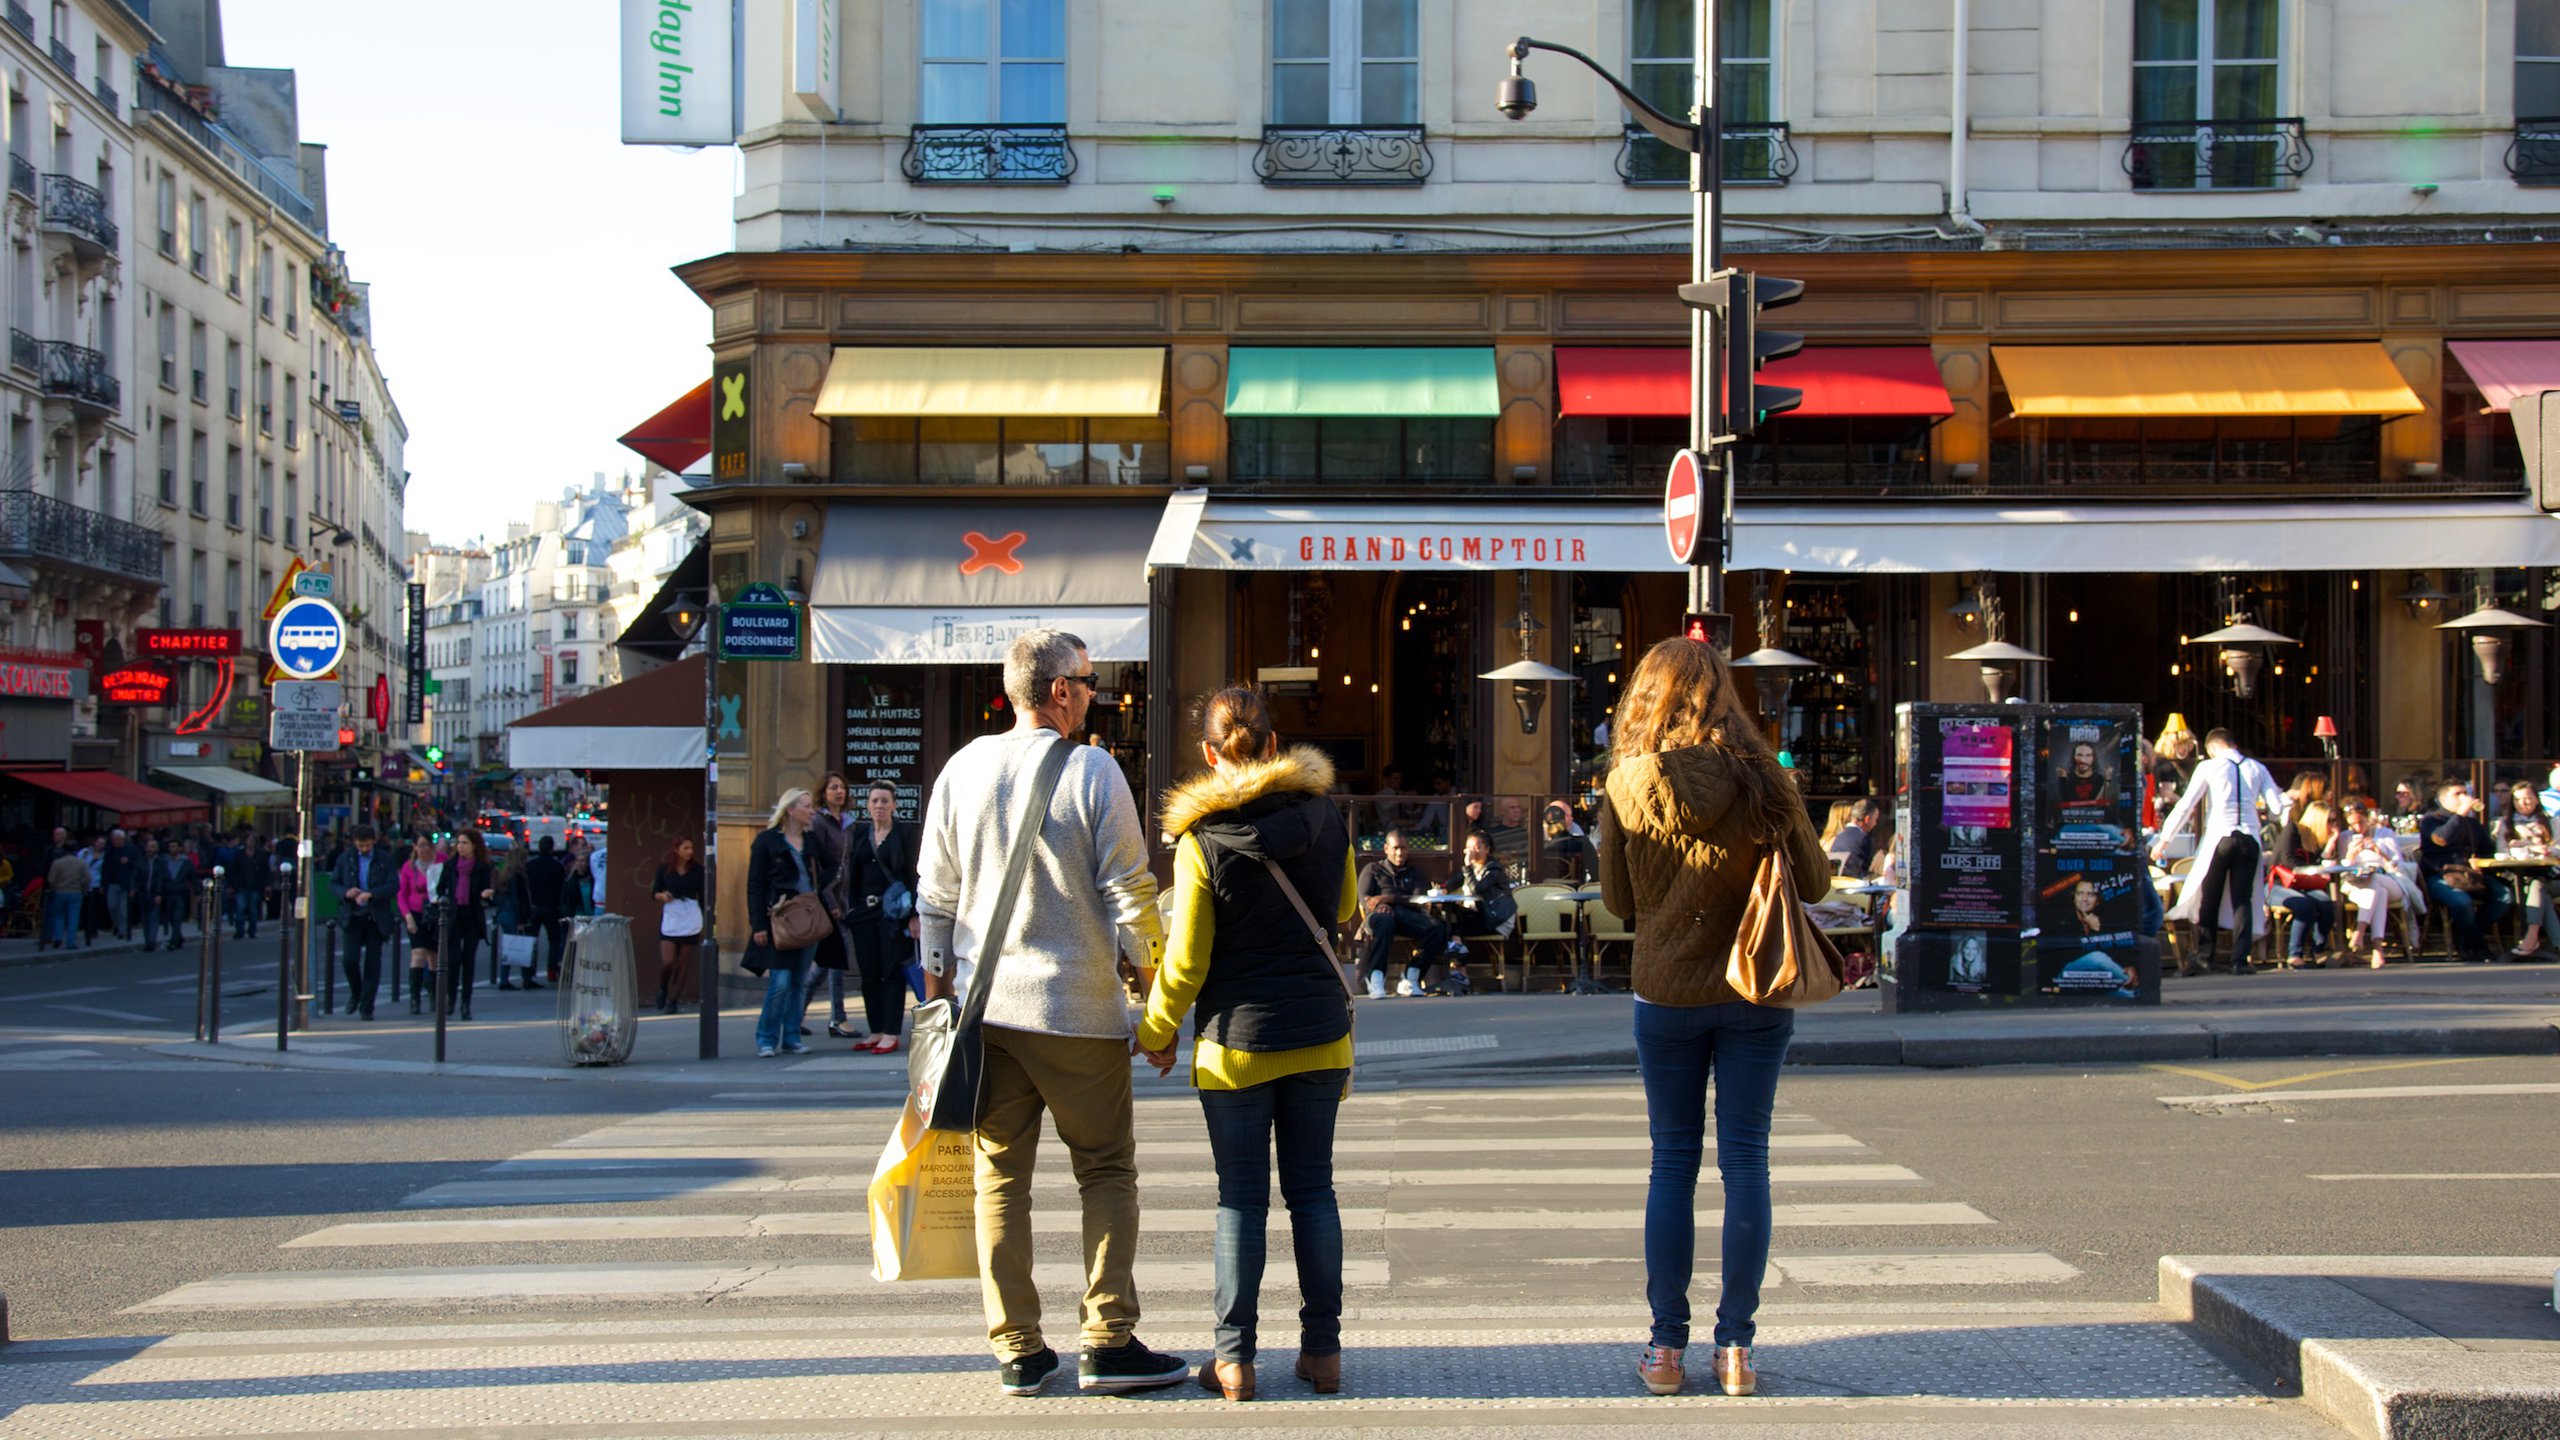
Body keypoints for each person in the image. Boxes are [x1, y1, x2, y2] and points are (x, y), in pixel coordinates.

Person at [914, 628, 1181, 1398]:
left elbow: (935, 898)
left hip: (986, 1009)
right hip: (1077, 1011)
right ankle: (1108, 1338)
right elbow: (1131, 896)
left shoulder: (962, 769)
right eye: (1092, 682)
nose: (1098, 693)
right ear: (1059, 690)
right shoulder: (1094, 770)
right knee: (1105, 1169)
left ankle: (1019, 1350)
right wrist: (1154, 1000)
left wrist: (939, 992)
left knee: (1000, 1179)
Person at [1596, 635, 1829, 1400]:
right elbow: (1820, 883)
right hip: (1755, 987)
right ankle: (1735, 1350)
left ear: (1647, 698)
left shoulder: (1627, 783)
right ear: (1721, 695)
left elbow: (1620, 906)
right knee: (1747, 1162)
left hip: (1664, 993)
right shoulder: (1765, 777)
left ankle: (1666, 1351)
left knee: (1671, 1162)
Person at [1131, 686, 1356, 1402]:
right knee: (1314, 1191)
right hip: (1321, 1038)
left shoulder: (1202, 842)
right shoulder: (1326, 817)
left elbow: (1188, 960)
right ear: (1276, 741)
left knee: (1240, 1201)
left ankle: (1234, 1360)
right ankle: (1323, 1353)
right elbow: (1347, 907)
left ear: (1208, 754)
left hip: (1235, 1046)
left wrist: (1157, 1032)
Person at [2153, 728, 2290, 976]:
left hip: (2221, 836)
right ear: (2233, 743)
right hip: (2250, 838)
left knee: (2210, 896)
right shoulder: (2257, 768)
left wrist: (2164, 840)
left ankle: (2205, 956)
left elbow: (2186, 804)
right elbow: (2277, 806)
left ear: (2212, 748)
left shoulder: (2210, 767)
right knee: (2243, 900)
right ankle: (2240, 959)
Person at [746, 787, 835, 1058]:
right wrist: (758, 924)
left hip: (807, 918)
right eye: (806, 806)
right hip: (780, 920)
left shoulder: (811, 840)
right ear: (790, 810)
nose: (812, 811)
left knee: (799, 981)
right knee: (780, 982)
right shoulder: (767, 842)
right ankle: (766, 1038)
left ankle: (792, 1037)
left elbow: (832, 865)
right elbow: (755, 885)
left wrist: (820, 891)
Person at [842, 779, 919, 1053]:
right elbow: (854, 872)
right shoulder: (861, 833)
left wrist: (914, 915)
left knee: (891, 972)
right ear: (867, 805)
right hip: (864, 912)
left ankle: (891, 1031)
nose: (879, 806)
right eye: (874, 801)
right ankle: (875, 1030)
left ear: (894, 805)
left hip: (893, 915)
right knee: (869, 973)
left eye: (884, 801)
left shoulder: (905, 833)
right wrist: (851, 907)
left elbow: (913, 874)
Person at [2418, 781, 2511, 964]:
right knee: (2462, 902)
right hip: (2440, 875)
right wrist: (2460, 813)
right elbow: (2441, 839)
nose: (2463, 797)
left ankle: (2466, 939)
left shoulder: (2472, 823)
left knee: (2505, 897)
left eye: (2464, 793)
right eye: (2457, 794)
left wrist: (2481, 861)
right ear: (2443, 799)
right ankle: (2477, 945)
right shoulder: (2431, 820)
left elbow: (2488, 850)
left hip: (2471, 876)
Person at [1355, 829, 1447, 999]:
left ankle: (1412, 976)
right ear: (1386, 848)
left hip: (1408, 917)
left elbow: (1418, 899)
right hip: (1379, 916)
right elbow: (1365, 899)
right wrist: (1381, 905)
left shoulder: (1415, 873)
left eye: (1403, 848)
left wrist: (1389, 899)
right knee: (1384, 920)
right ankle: (1375, 976)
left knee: (1437, 927)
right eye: (1396, 848)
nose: (1400, 853)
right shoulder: (1372, 869)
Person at [329, 826, 401, 1021]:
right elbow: (333, 883)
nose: (364, 849)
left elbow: (394, 884)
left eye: (367, 845)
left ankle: (366, 1006)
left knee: (373, 963)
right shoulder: (346, 858)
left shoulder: (384, 859)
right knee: (349, 960)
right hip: (352, 915)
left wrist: (373, 894)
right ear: (354, 842)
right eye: (360, 845)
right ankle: (356, 992)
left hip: (375, 916)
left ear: (373, 841)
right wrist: (346, 892)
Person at [2326, 802, 2411, 965]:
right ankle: (2377, 948)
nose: (2358, 828)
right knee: (2378, 892)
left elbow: (2398, 867)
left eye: (2361, 823)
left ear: (2368, 820)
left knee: (2376, 881)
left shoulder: (2384, 834)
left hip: (2387, 878)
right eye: (2353, 825)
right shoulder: (2345, 837)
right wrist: (2350, 857)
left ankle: (2360, 930)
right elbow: (2341, 870)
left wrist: (2381, 854)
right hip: (2356, 883)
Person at [810, 773, 858, 1039]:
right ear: (824, 792)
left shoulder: (848, 823)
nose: (839, 791)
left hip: (845, 898)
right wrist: (830, 902)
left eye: (842, 787)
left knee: (824, 964)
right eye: (833, 787)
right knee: (837, 960)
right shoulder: (819, 822)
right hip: (829, 900)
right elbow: (819, 867)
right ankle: (837, 1018)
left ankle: (796, 1013)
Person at [432, 829, 494, 1020]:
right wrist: (444, 899)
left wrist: (486, 895)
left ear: (474, 845)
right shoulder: (450, 865)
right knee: (453, 960)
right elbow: (440, 888)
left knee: (468, 961)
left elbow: (489, 892)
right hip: (454, 916)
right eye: (459, 842)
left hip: (472, 917)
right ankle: (451, 998)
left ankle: (466, 1003)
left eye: (465, 843)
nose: (460, 846)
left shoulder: (483, 866)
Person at [2267, 801, 2337, 968]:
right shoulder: (2293, 830)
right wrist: (2312, 869)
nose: (2333, 826)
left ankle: (2319, 949)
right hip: (2279, 885)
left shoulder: (2318, 840)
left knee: (2326, 904)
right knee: (2305, 905)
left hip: (2306, 885)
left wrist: (2331, 842)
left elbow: (2323, 864)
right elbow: (2288, 861)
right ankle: (2295, 954)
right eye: (2330, 821)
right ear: (2319, 820)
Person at [650, 838, 705, 1012]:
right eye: (685, 848)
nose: (689, 851)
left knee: (683, 963)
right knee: (668, 960)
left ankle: (673, 1001)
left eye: (691, 848)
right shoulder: (665, 869)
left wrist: (706, 918)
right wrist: (662, 896)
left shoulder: (698, 871)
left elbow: (703, 896)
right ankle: (663, 988)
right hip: (672, 914)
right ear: (677, 849)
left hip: (690, 914)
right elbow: (654, 892)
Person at [515, 836, 569, 988]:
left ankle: (528, 975)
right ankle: (552, 970)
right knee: (554, 940)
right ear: (552, 848)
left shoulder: (530, 865)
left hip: (535, 907)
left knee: (531, 942)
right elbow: (562, 888)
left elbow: (525, 887)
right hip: (552, 908)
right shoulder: (557, 866)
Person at [398, 835, 441, 1015]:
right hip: (416, 914)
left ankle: (434, 995)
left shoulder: (441, 862)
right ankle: (414, 998)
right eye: (421, 845)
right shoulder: (409, 868)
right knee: (417, 954)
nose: (424, 849)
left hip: (437, 913)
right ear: (414, 846)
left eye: (428, 845)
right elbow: (402, 894)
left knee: (434, 957)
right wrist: (407, 917)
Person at [145, 837, 197, 952]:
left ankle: (173, 941)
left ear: (180, 848)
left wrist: (197, 892)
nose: (171, 849)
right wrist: (158, 893)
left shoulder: (186, 862)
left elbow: (193, 878)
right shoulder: (165, 862)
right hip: (168, 893)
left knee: (177, 917)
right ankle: (179, 937)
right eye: (170, 847)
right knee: (170, 918)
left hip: (180, 893)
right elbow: (160, 879)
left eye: (174, 847)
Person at [1543, 801, 1598, 882]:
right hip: (1575, 892)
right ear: (1564, 820)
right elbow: (1596, 875)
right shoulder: (1583, 844)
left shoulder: (1538, 848)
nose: (1572, 818)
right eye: (1569, 815)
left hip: (1545, 892)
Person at [1826, 799, 1881, 877]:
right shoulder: (1864, 839)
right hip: (1856, 883)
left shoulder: (1839, 837)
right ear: (1867, 819)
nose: (1875, 824)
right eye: (1875, 819)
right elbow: (1871, 868)